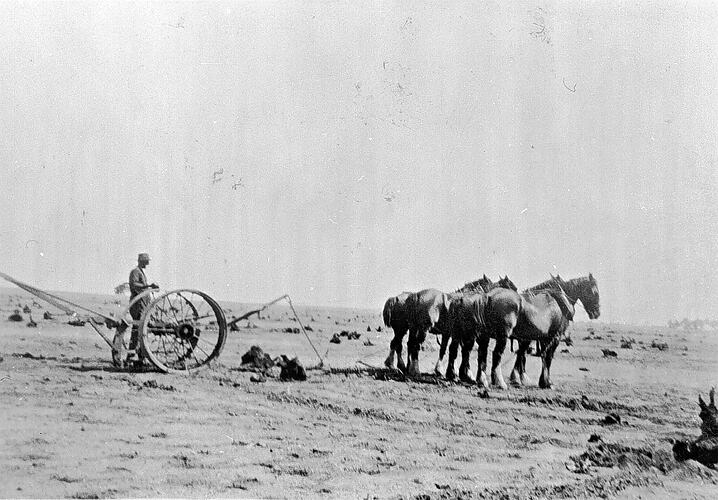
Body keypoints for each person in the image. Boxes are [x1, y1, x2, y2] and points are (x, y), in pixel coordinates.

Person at [128, 253, 159, 365]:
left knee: (140, 329)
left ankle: (138, 354)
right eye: (147, 261)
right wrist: (148, 286)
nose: (148, 263)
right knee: (138, 328)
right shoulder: (136, 271)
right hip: (138, 304)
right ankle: (133, 355)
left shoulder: (140, 271)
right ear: (142, 261)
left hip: (142, 303)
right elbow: (134, 284)